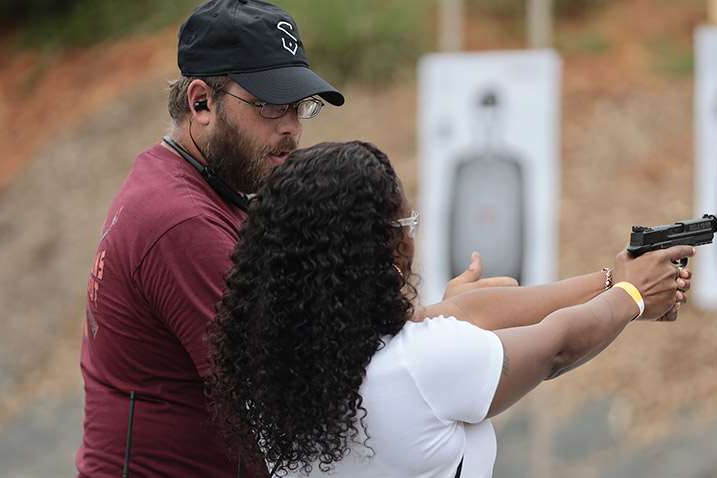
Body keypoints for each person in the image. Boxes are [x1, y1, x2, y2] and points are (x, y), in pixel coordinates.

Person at [76, 1, 514, 476]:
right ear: (201, 102)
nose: (291, 126)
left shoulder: (196, 187)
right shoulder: (181, 221)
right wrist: (439, 322)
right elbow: (300, 377)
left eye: (299, 105)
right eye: (268, 104)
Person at [207, 141, 694, 478]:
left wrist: (608, 279)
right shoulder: (422, 362)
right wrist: (630, 298)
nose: (410, 235)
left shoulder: (273, 367)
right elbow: (556, 347)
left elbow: (458, 318)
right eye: (405, 221)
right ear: (378, 244)